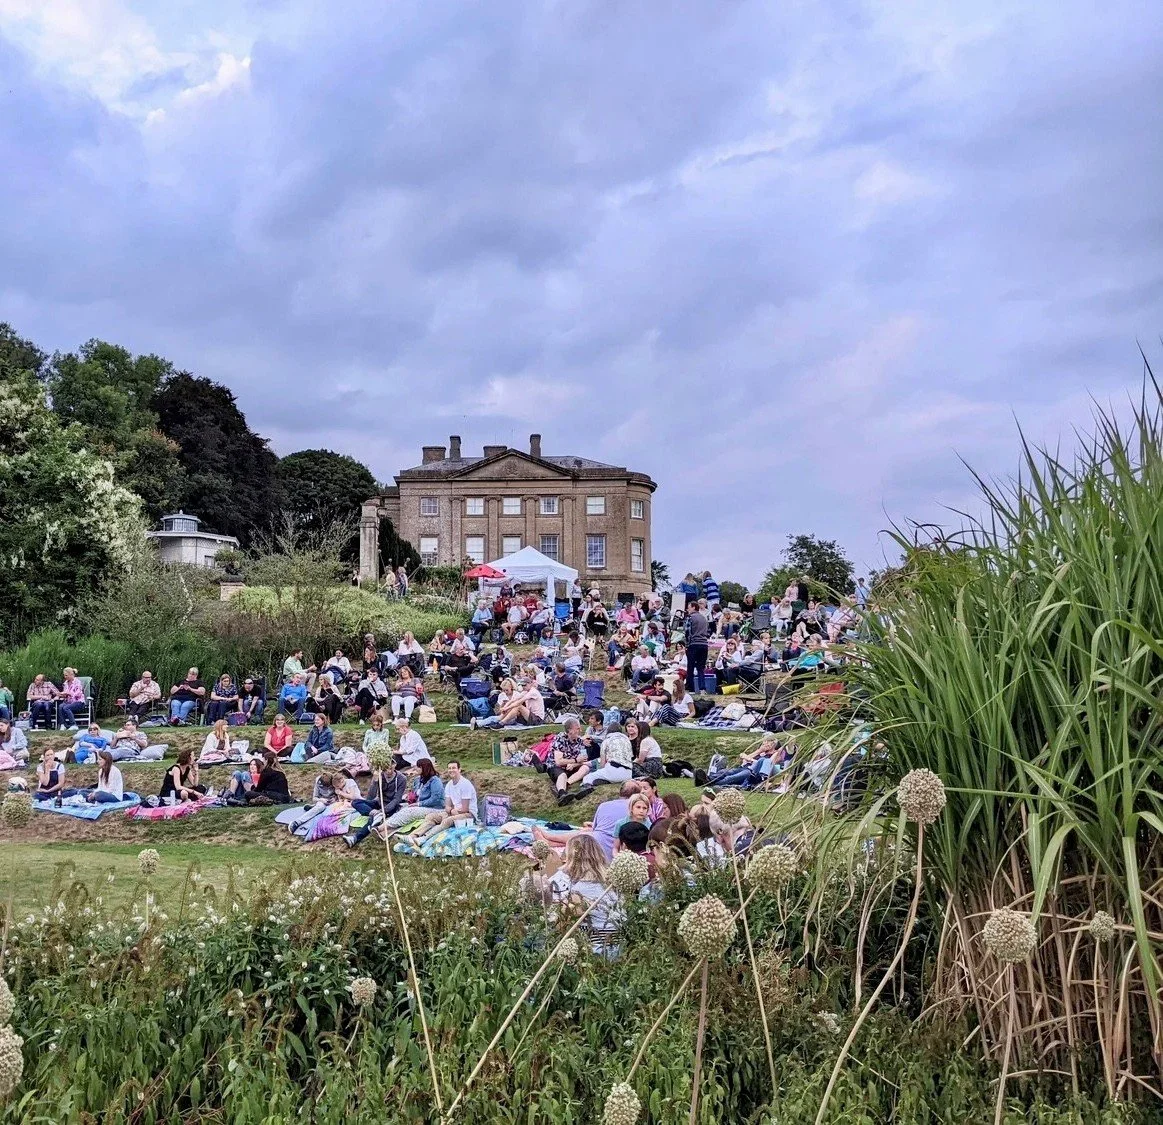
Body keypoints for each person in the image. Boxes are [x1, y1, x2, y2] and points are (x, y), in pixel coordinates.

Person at [548, 834, 623, 954]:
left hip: (596, 953)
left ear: (571, 858)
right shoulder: (612, 885)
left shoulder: (579, 893)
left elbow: (558, 927)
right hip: (619, 949)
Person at [405, 760, 478, 846]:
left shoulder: (465, 784)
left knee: (447, 821)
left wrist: (451, 811)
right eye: (449, 768)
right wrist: (451, 811)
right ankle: (412, 836)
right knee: (431, 816)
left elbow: (465, 809)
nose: (451, 770)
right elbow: (447, 805)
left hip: (469, 814)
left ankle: (424, 838)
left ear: (459, 769)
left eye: (454, 768)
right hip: (453, 811)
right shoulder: (449, 785)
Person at [345, 759, 407, 846]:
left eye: (391, 768)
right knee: (355, 802)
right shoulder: (380, 776)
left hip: (391, 807)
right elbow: (370, 797)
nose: (388, 771)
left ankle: (355, 838)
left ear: (395, 764)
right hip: (379, 802)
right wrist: (375, 781)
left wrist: (383, 811)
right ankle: (374, 814)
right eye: (386, 769)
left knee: (372, 821)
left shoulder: (401, 779)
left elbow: (396, 799)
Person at [581, 724, 633, 790]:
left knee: (588, 777)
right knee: (608, 774)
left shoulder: (606, 741)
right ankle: (609, 779)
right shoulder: (627, 741)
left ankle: (587, 788)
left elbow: (602, 763)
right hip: (628, 774)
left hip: (614, 769)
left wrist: (600, 771)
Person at [684, 602, 710, 694]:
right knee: (701, 668)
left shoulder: (690, 617)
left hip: (694, 644)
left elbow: (687, 632)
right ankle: (702, 688)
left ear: (694, 607)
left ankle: (690, 688)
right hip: (704, 644)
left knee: (690, 667)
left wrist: (687, 645)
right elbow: (708, 631)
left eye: (689, 607)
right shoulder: (704, 618)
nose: (687, 610)